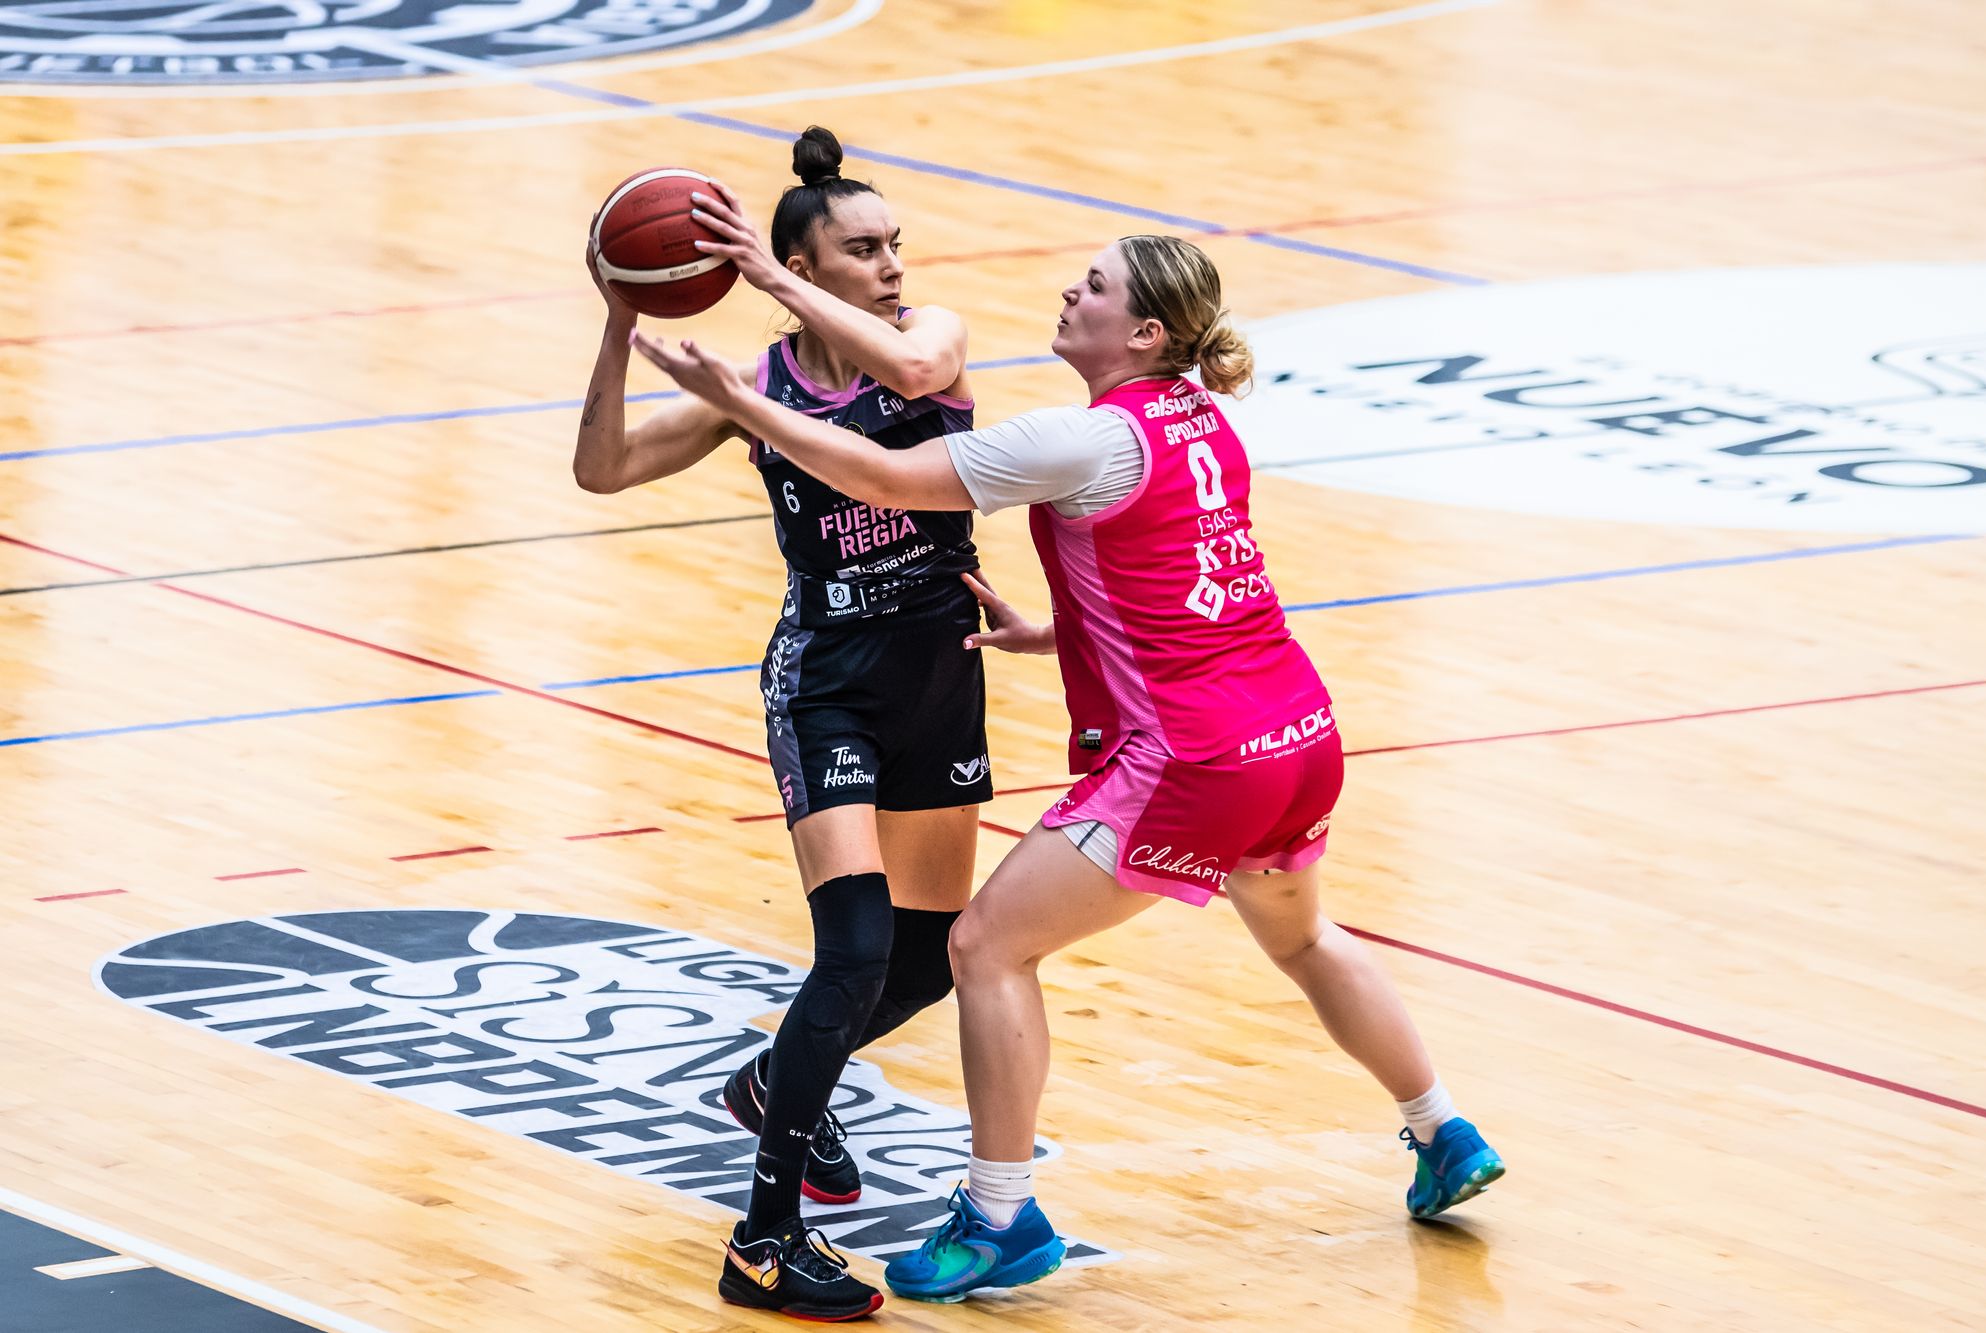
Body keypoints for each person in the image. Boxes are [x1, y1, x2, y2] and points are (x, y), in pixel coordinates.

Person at [631, 231, 1508, 1306]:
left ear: (1140, 330)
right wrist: (1060, 636)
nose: (1066, 290)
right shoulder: (1203, 420)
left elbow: (879, 474)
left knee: (984, 947)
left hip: (1195, 754)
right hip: (1296, 732)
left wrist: (739, 397)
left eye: (1091, 287)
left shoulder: (1076, 441)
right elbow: (1189, 583)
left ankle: (999, 1216)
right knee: (1306, 937)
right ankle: (1441, 1128)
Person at [575, 126, 992, 1322]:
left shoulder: (933, 338)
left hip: (940, 668)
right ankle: (762, 1236)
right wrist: (615, 325)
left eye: (892, 245)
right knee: (853, 948)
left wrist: (773, 274)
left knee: (930, 957)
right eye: (862, 251)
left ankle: (773, 1083)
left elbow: (914, 384)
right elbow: (602, 470)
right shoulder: (752, 389)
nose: (892, 266)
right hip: (829, 679)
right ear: (808, 255)